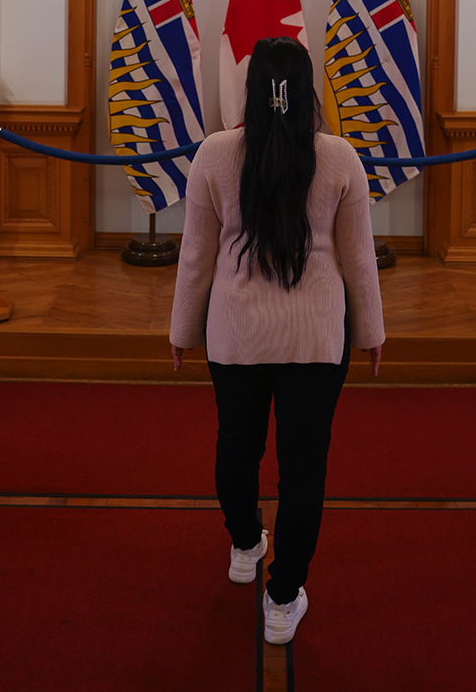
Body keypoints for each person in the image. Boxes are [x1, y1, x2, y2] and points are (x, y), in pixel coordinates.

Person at [169, 36, 385, 645]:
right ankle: (283, 599)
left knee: (235, 449)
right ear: (308, 89)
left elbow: (195, 259)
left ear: (251, 92)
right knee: (304, 469)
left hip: (235, 334)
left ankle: (245, 545)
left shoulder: (213, 154)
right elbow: (358, 259)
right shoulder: (340, 158)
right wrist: (371, 330)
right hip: (318, 335)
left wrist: (182, 329)